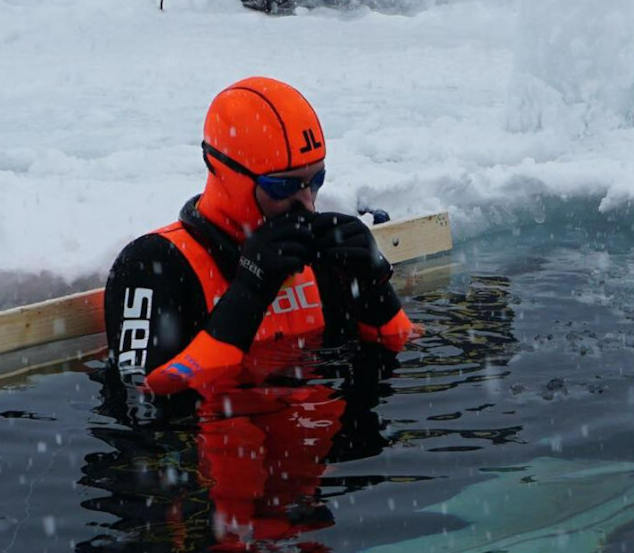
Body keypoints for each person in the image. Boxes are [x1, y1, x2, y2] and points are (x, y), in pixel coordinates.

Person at [104, 76, 415, 395]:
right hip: (220, 438)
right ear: (226, 174)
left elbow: (400, 353)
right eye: (283, 187)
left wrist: (375, 284)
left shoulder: (319, 253)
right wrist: (249, 293)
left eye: (315, 180)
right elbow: (142, 405)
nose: (307, 204)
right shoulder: (153, 265)